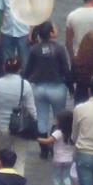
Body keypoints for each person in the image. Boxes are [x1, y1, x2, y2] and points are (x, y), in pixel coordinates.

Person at [24, 22, 71, 157]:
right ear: (51, 33)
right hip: (57, 88)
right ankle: (56, 145)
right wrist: (70, 86)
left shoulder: (34, 49)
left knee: (41, 118)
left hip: (38, 88)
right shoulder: (59, 49)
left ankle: (43, 150)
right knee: (59, 118)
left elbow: (27, 71)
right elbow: (66, 70)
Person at [0, 57, 36, 159]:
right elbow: (31, 108)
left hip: (2, 126)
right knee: (19, 159)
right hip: (20, 127)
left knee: (3, 156)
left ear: (4, 68)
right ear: (20, 69)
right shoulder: (25, 85)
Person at [37, 110, 75, 185]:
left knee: (56, 177)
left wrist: (38, 139)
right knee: (66, 175)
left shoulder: (58, 132)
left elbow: (48, 141)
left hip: (58, 159)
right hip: (69, 159)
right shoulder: (73, 132)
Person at [0, 0, 30, 72]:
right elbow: (2, 12)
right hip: (7, 32)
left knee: (24, 63)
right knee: (7, 63)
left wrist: (31, 32)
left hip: (23, 32)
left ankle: (23, 83)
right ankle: (9, 84)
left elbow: (32, 12)